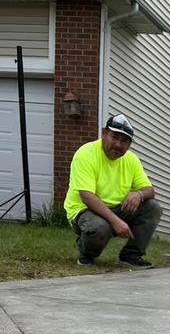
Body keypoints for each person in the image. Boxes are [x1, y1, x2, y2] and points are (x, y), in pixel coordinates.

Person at [64, 114, 162, 268]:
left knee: (152, 207)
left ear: (129, 145)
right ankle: (86, 252)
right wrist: (116, 222)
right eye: (114, 137)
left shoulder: (131, 159)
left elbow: (149, 190)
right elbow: (87, 196)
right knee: (100, 228)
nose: (118, 145)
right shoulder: (85, 154)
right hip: (85, 210)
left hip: (117, 209)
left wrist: (138, 194)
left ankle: (131, 255)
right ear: (104, 133)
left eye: (124, 141)